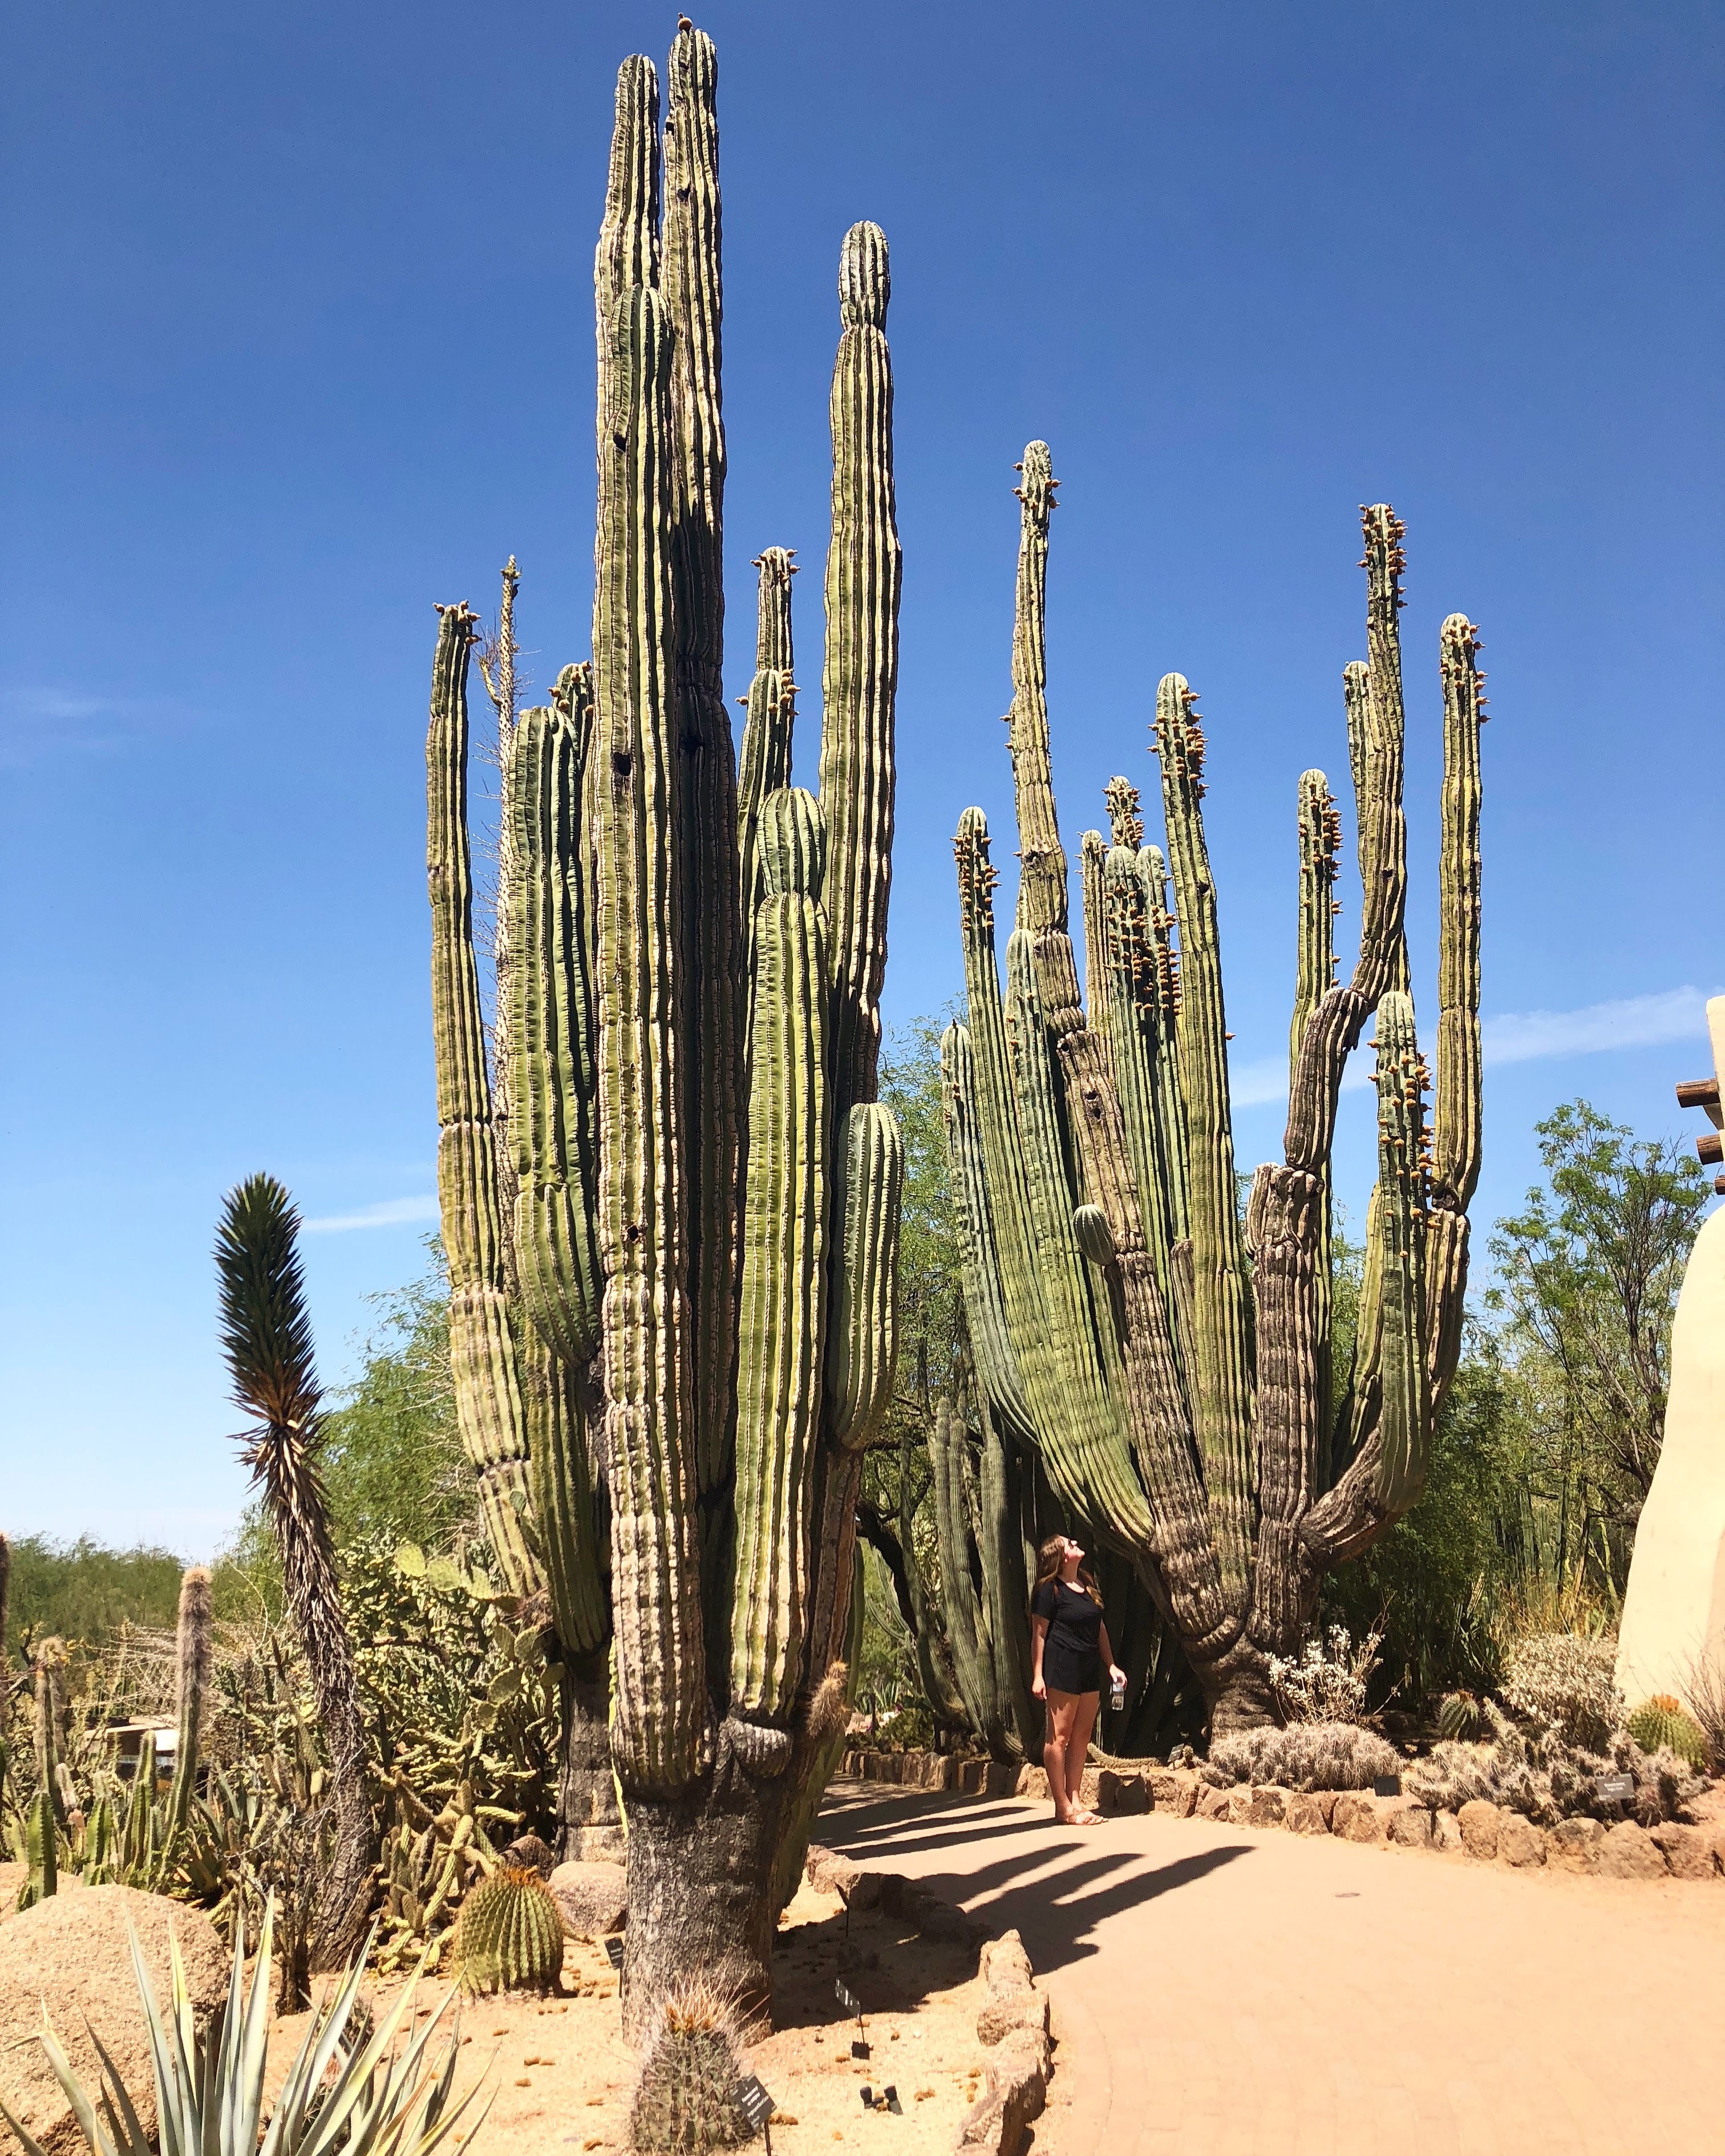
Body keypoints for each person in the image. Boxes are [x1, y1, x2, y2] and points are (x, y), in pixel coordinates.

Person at [1029, 1533, 1127, 1827]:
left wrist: (1111, 1665)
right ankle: (1062, 1807)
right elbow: (1039, 1634)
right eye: (1068, 1543)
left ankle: (1076, 1800)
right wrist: (1038, 1675)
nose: (1074, 1542)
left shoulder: (1086, 1583)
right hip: (1062, 1666)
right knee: (1059, 1737)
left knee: (1082, 1735)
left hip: (1089, 1667)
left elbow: (1100, 1628)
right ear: (1060, 1557)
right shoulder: (1048, 1590)